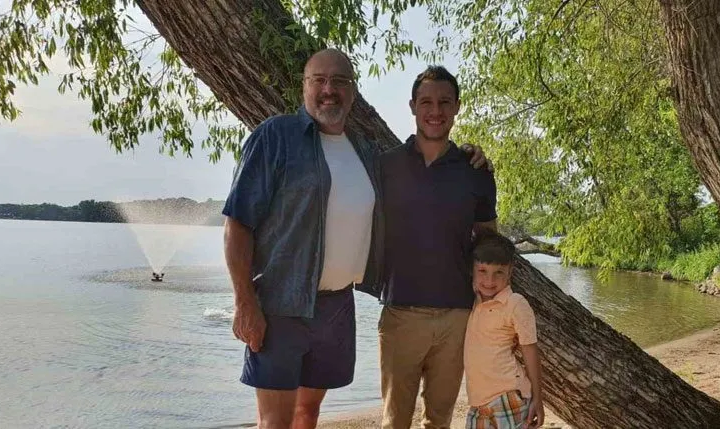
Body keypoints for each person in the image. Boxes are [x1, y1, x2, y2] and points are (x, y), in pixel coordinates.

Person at [222, 50, 488, 429]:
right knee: (274, 421)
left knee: (308, 413)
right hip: (281, 305)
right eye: (319, 80)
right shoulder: (276, 136)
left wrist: (468, 156)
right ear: (305, 86)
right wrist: (244, 302)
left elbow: (423, 180)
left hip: (336, 307)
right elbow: (237, 224)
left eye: (340, 81)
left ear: (353, 91)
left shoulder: (366, 153)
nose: (329, 90)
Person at [378, 65, 498, 429]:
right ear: (412, 106)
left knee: (440, 420)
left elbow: (488, 243)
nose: (436, 110)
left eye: (445, 102)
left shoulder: (475, 171)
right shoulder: (385, 165)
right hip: (400, 313)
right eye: (426, 102)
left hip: (456, 317)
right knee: (394, 421)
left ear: (458, 107)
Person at [464, 231, 544, 429]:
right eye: (483, 271)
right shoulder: (470, 301)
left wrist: (538, 398)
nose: (490, 281)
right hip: (478, 402)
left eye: (498, 272)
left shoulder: (515, 303)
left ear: (510, 272)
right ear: (472, 270)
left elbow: (530, 350)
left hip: (509, 397)